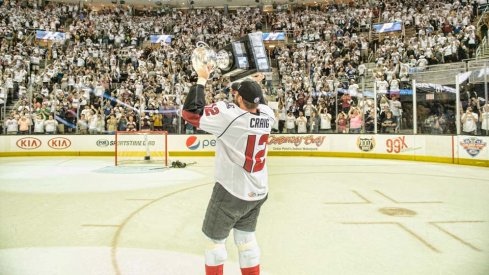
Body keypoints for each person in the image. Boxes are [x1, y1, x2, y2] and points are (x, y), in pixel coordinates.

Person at [182, 67, 274, 275]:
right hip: (258, 191)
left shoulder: (230, 117)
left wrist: (202, 79)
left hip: (232, 191)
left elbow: (190, 113)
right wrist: (252, 84)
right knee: (247, 242)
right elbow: (253, 102)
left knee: (215, 245)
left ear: (239, 99)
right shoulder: (268, 114)